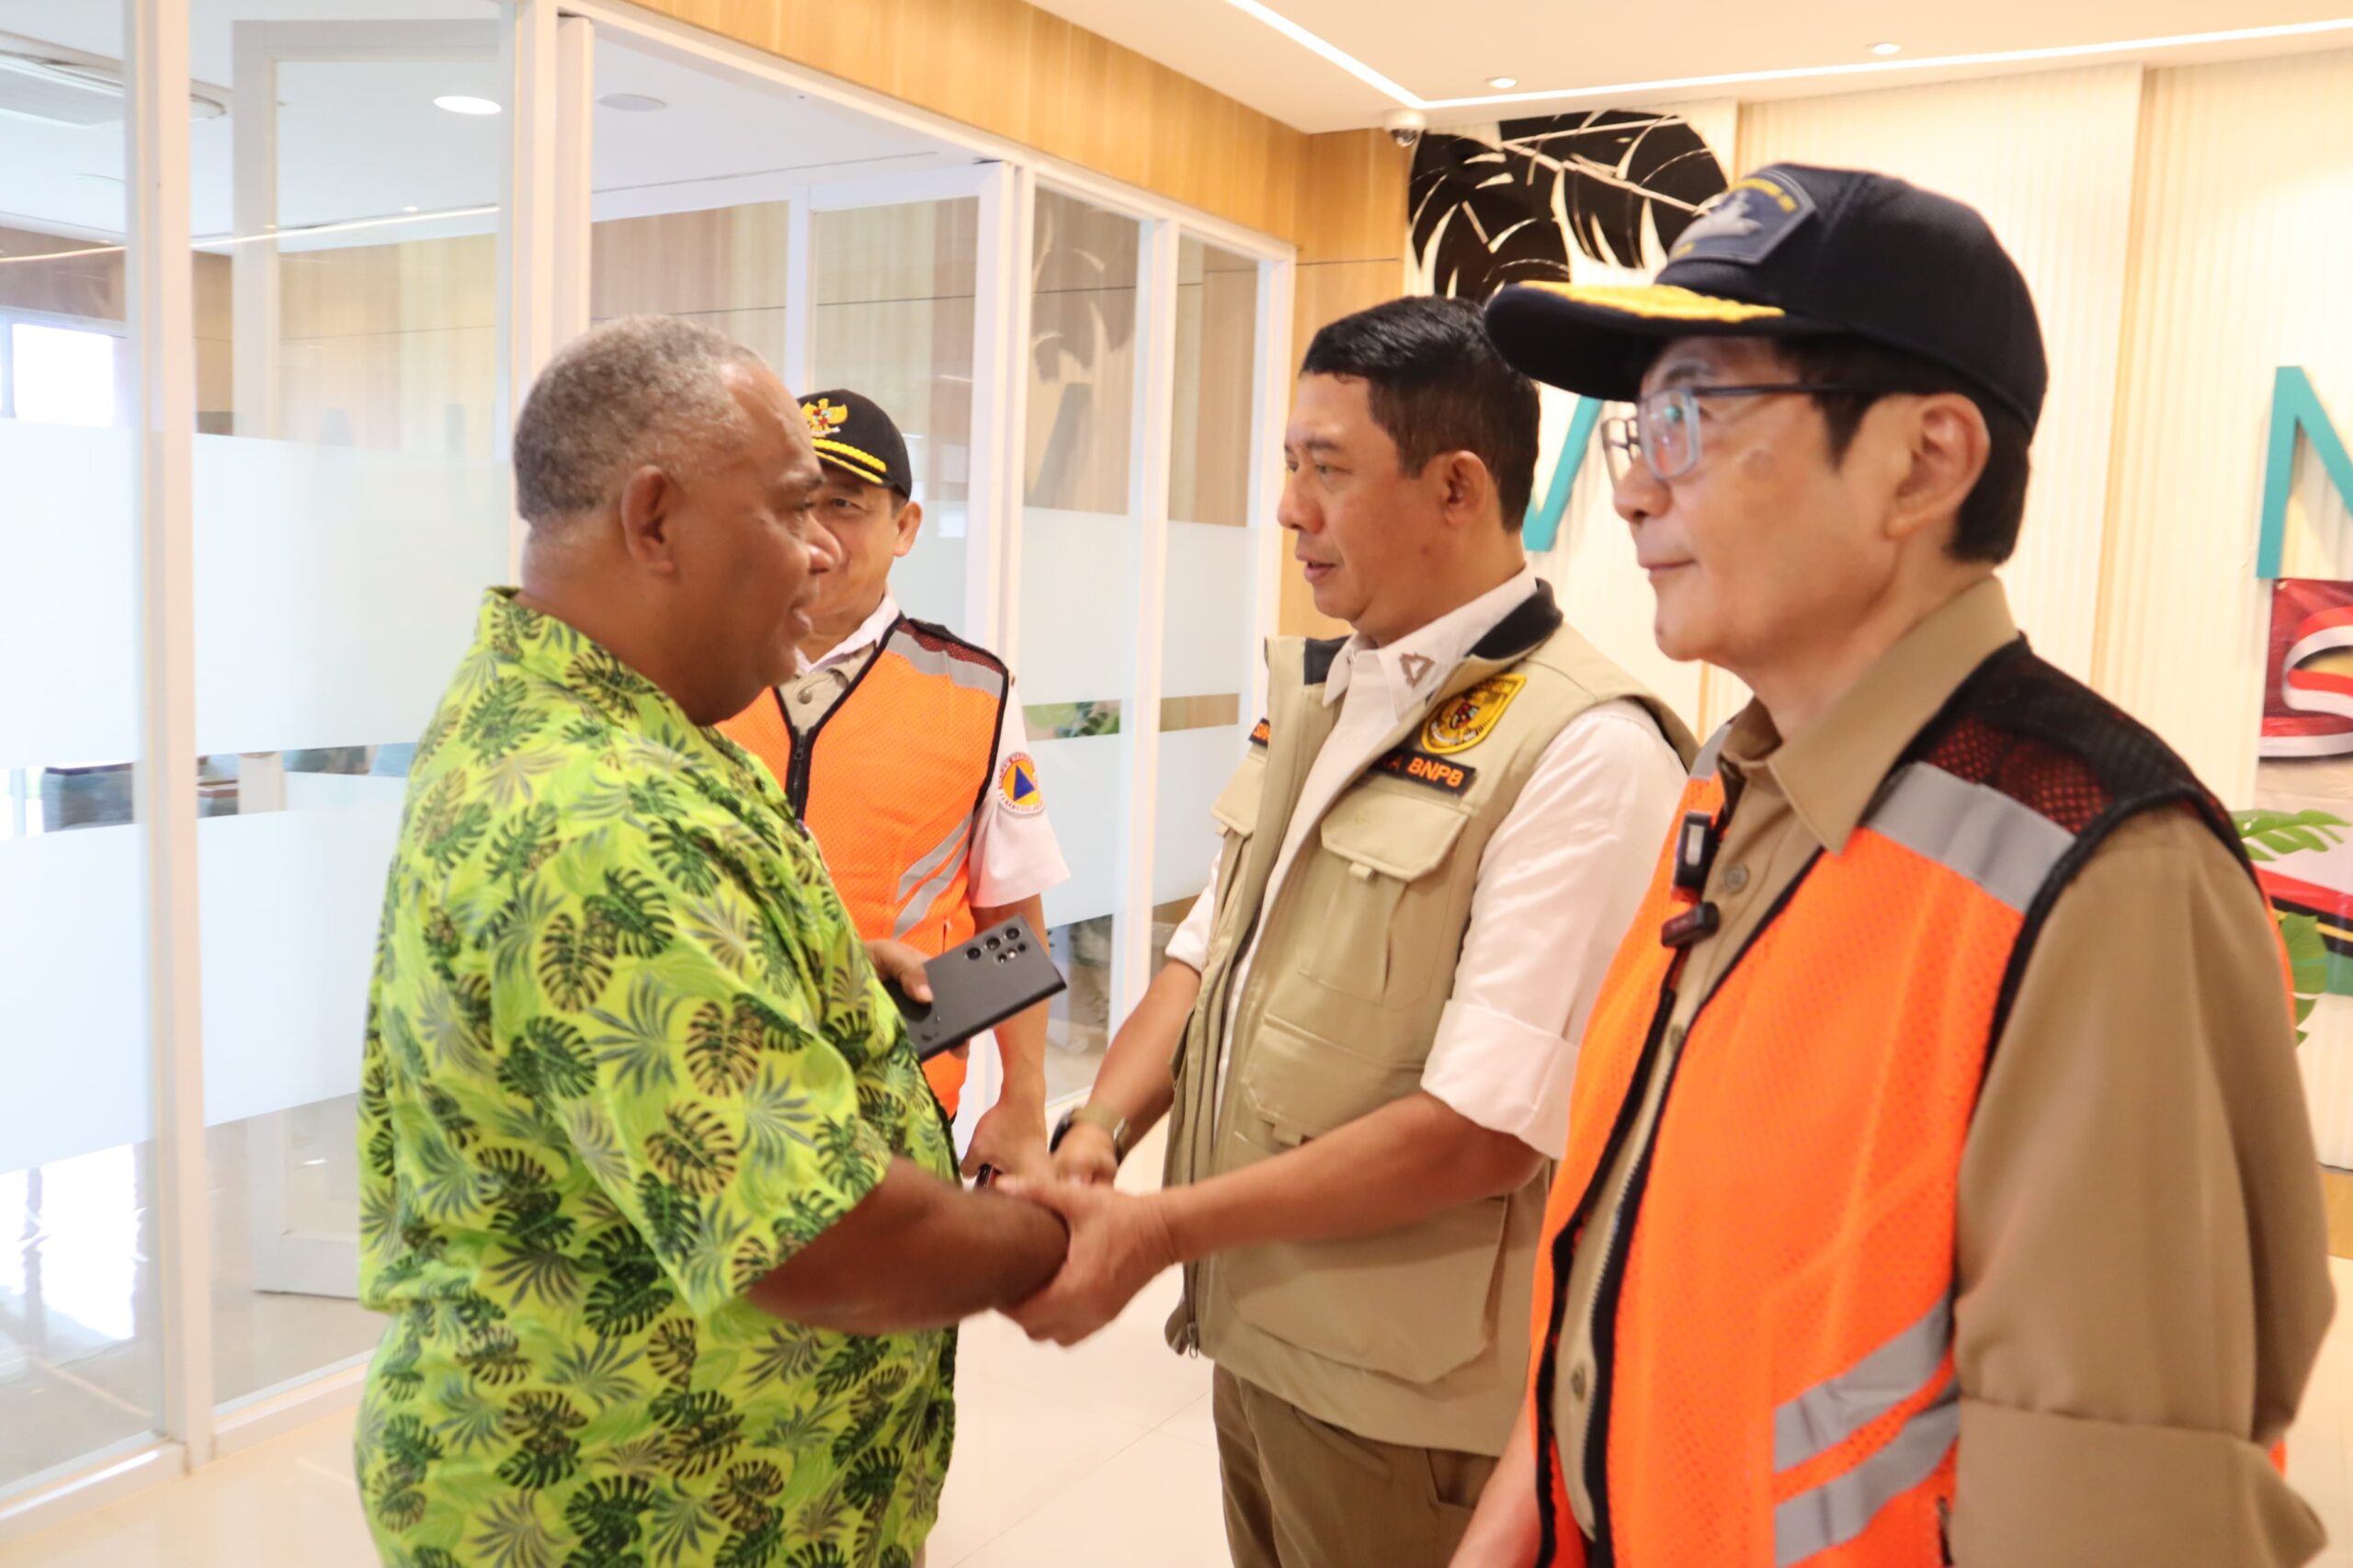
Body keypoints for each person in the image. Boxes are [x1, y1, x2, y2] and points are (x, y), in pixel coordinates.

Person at [1456, 164, 2336, 1567]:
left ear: (1924, 462)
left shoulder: (2101, 872)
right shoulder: (1730, 791)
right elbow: (1630, 1269)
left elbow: (2117, 1522)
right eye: (1635, 427)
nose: (1632, 489)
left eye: (1689, 412)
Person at [352, 317, 1067, 1568]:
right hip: (618, 1510)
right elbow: (826, 1240)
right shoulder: (599, 816)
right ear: (655, 520)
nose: (813, 553)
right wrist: (1066, 1237)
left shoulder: (615, 711)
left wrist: (827, 968)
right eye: (795, 506)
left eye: (843, 511)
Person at [995, 294, 1697, 1568]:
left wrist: (1160, 1228)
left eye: (1327, 470)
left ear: (1457, 488)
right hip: (1261, 1333)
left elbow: (1483, 1128)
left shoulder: (1587, 749)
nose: (1288, 510)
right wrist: (1100, 1133)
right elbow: (1208, 950)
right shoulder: (1333, 691)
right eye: (1288, 465)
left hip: (1405, 1401)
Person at [718, 389, 1068, 1181]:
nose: (813, 530)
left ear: (905, 527)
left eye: (843, 503)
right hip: (716, 1092)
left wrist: (1022, 1098)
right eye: (791, 501)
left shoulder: (973, 691)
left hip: (897, 1104)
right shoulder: (701, 668)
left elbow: (1008, 904)